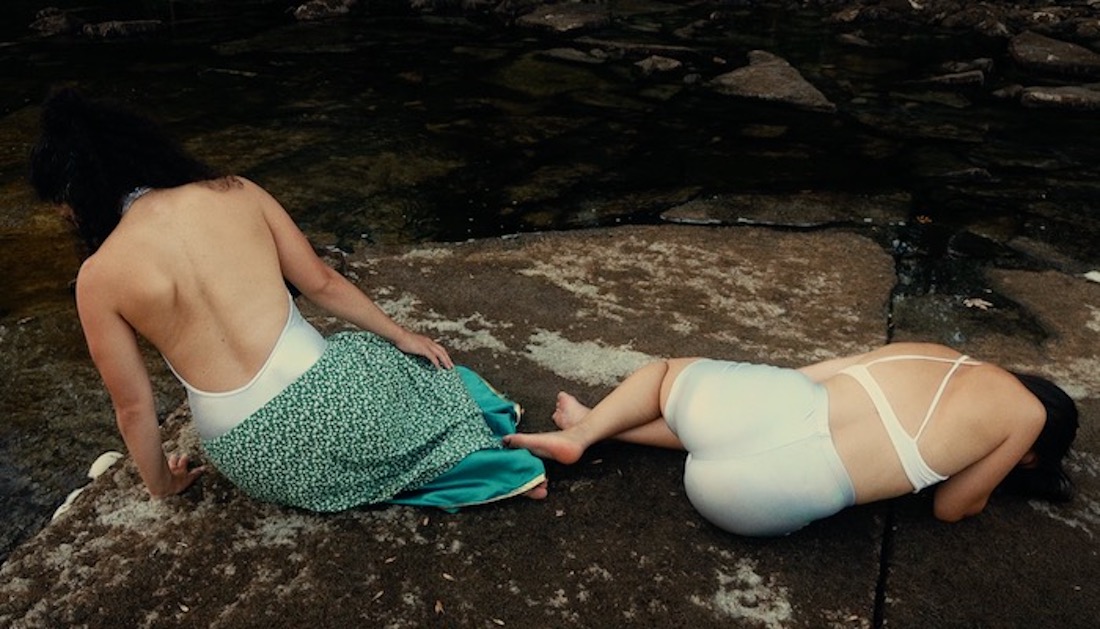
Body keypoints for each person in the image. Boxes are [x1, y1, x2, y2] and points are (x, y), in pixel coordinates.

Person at [29, 87, 546, 512]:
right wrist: (399, 334)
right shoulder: (234, 192)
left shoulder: (97, 278)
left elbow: (133, 406)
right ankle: (471, 456)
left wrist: (162, 483)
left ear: (80, 196)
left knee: (358, 377)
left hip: (255, 461)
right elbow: (321, 282)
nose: (67, 220)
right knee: (380, 359)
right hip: (337, 411)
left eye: (63, 208)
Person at [504, 343, 1078, 536]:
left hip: (783, 407)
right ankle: (594, 430)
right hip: (761, 500)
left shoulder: (933, 353)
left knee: (666, 378)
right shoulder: (1022, 417)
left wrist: (730, 397)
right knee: (739, 435)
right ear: (1038, 451)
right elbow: (953, 507)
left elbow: (806, 378)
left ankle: (588, 430)